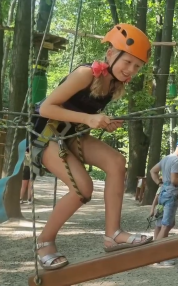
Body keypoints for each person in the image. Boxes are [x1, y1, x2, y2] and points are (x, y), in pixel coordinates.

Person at [29, 24, 153, 270]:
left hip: (71, 134)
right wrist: (89, 119)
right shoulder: (86, 74)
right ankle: (44, 241)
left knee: (116, 162)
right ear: (110, 54)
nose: (131, 70)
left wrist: (102, 123)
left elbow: (82, 113)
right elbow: (45, 108)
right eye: (127, 62)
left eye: (137, 67)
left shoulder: (114, 84)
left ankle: (113, 234)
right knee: (82, 188)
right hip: (46, 134)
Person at [150, 138, 178, 266]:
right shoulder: (176, 160)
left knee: (159, 224)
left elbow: (153, 171)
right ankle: (155, 255)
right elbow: (175, 180)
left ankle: (159, 252)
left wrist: (159, 183)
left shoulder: (166, 158)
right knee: (167, 225)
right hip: (171, 194)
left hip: (163, 192)